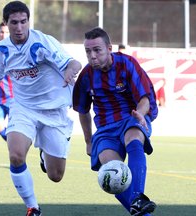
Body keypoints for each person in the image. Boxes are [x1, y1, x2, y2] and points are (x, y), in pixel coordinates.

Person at [0, 1, 82, 216]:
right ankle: (33, 207)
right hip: (23, 108)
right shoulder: (2, 50)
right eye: (14, 23)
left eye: (23, 22)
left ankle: (44, 156)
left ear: (29, 21)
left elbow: (74, 63)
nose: (19, 27)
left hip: (53, 111)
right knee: (16, 156)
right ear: (6, 24)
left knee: (55, 175)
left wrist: (69, 72)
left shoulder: (42, 43)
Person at [73, 27, 158, 216]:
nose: (92, 56)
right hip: (105, 129)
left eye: (97, 50)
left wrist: (141, 114)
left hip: (131, 118)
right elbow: (82, 110)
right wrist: (88, 141)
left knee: (134, 138)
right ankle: (143, 212)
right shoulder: (86, 76)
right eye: (88, 51)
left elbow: (144, 98)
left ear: (109, 48)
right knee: (112, 174)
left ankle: (137, 196)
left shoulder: (127, 64)